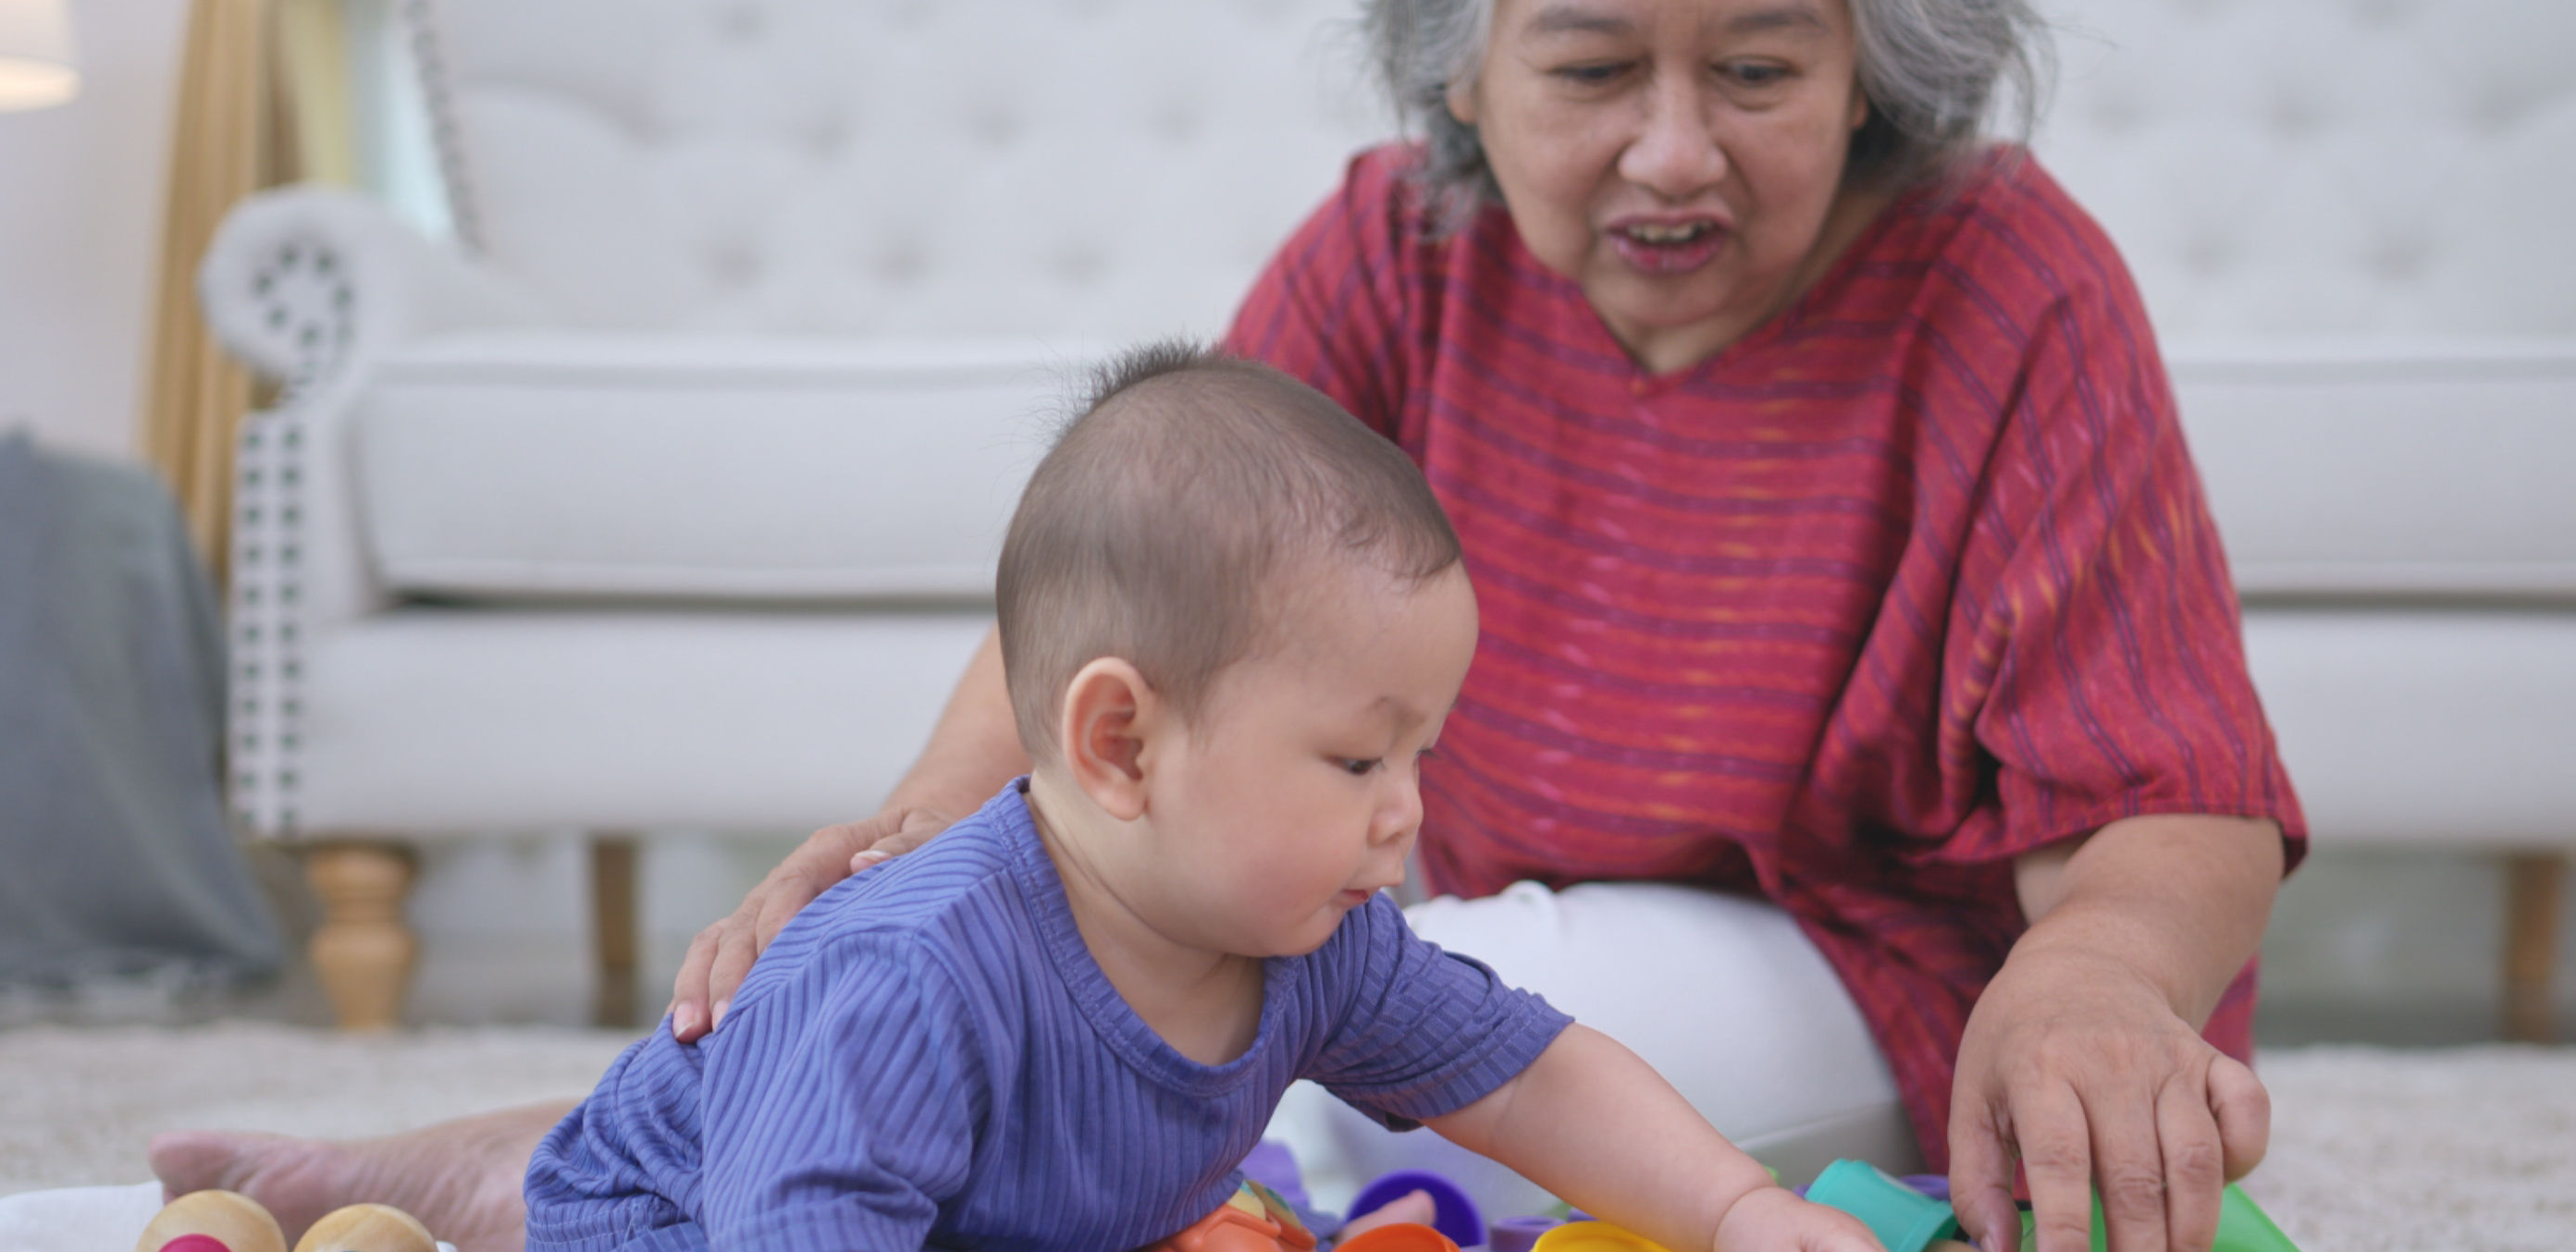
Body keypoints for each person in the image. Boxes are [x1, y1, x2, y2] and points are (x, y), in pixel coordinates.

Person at [154, 0, 2302, 1250]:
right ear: (1462, 64)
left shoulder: (2006, 280)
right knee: (1101, 955)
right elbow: (1154, 591)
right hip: (1382, 903)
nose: (1671, 149)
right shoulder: (1400, 243)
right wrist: (909, 849)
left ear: (1876, 61)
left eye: (1757, 70)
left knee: (1344, 1026)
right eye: (1586, 70)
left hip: (1837, 961)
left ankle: (588, 1185)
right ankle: (592, 1164)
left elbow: (2170, 781)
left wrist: (2098, 975)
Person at [523, 346, 1880, 1251]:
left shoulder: (1313, 940)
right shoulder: (907, 976)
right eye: (1358, 761)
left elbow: (1528, 1076)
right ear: (1119, 742)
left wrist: (1735, 1208)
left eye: (1422, 756)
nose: (1406, 813)